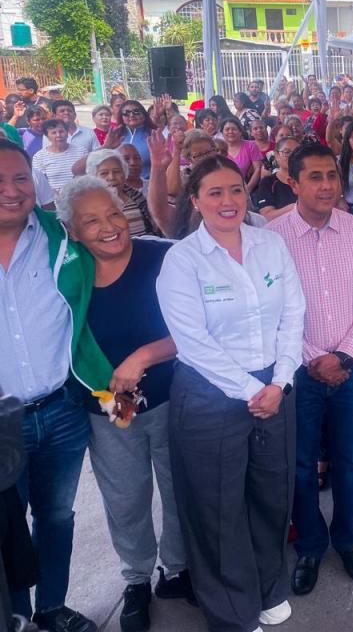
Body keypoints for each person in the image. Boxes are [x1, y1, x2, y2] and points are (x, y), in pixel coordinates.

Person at [156, 155, 305, 632]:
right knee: (217, 506)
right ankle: (231, 612)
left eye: (237, 190)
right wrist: (251, 389)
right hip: (209, 394)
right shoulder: (182, 260)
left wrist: (280, 381)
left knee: (270, 492)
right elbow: (192, 340)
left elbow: (293, 314)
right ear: (196, 201)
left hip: (274, 387)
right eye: (215, 192)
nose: (228, 201)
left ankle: (267, 587)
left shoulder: (270, 244)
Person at [58, 177, 194, 632]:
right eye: (91, 221)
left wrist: (143, 356)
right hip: (110, 410)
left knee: (178, 489)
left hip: (173, 397)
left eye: (113, 213)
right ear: (72, 231)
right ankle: (136, 579)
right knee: (126, 498)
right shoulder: (68, 275)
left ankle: (176, 571)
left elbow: (201, 326)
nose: (108, 227)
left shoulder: (164, 257)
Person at [265, 144, 353, 592]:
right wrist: (314, 359)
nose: (326, 185)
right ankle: (311, 546)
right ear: (293, 183)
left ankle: (348, 538)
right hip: (299, 370)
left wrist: (345, 355)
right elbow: (272, 309)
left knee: (351, 460)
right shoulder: (273, 239)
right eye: (314, 177)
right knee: (300, 465)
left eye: (331, 175)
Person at [1, 139, 105, 632]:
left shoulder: (59, 239)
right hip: (2, 423)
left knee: (57, 516)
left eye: (20, 178)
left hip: (60, 408)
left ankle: (51, 608)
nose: (11, 190)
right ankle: (14, 611)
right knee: (5, 523)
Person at [86, 149, 161, 237]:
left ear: (124, 173)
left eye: (116, 171)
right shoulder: (89, 206)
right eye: (104, 173)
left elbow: (155, 229)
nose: (111, 177)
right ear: (94, 177)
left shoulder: (138, 198)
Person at [254, 137, 300, 220]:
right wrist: (295, 207)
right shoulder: (267, 182)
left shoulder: (308, 180)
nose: (293, 156)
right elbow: (267, 216)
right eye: (287, 152)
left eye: (297, 152)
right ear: (276, 155)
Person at [32, 119, 77, 196]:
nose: (58, 135)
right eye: (53, 133)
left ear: (67, 133)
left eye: (61, 131)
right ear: (47, 136)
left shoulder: (81, 151)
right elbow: (40, 183)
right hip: (55, 202)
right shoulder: (39, 157)